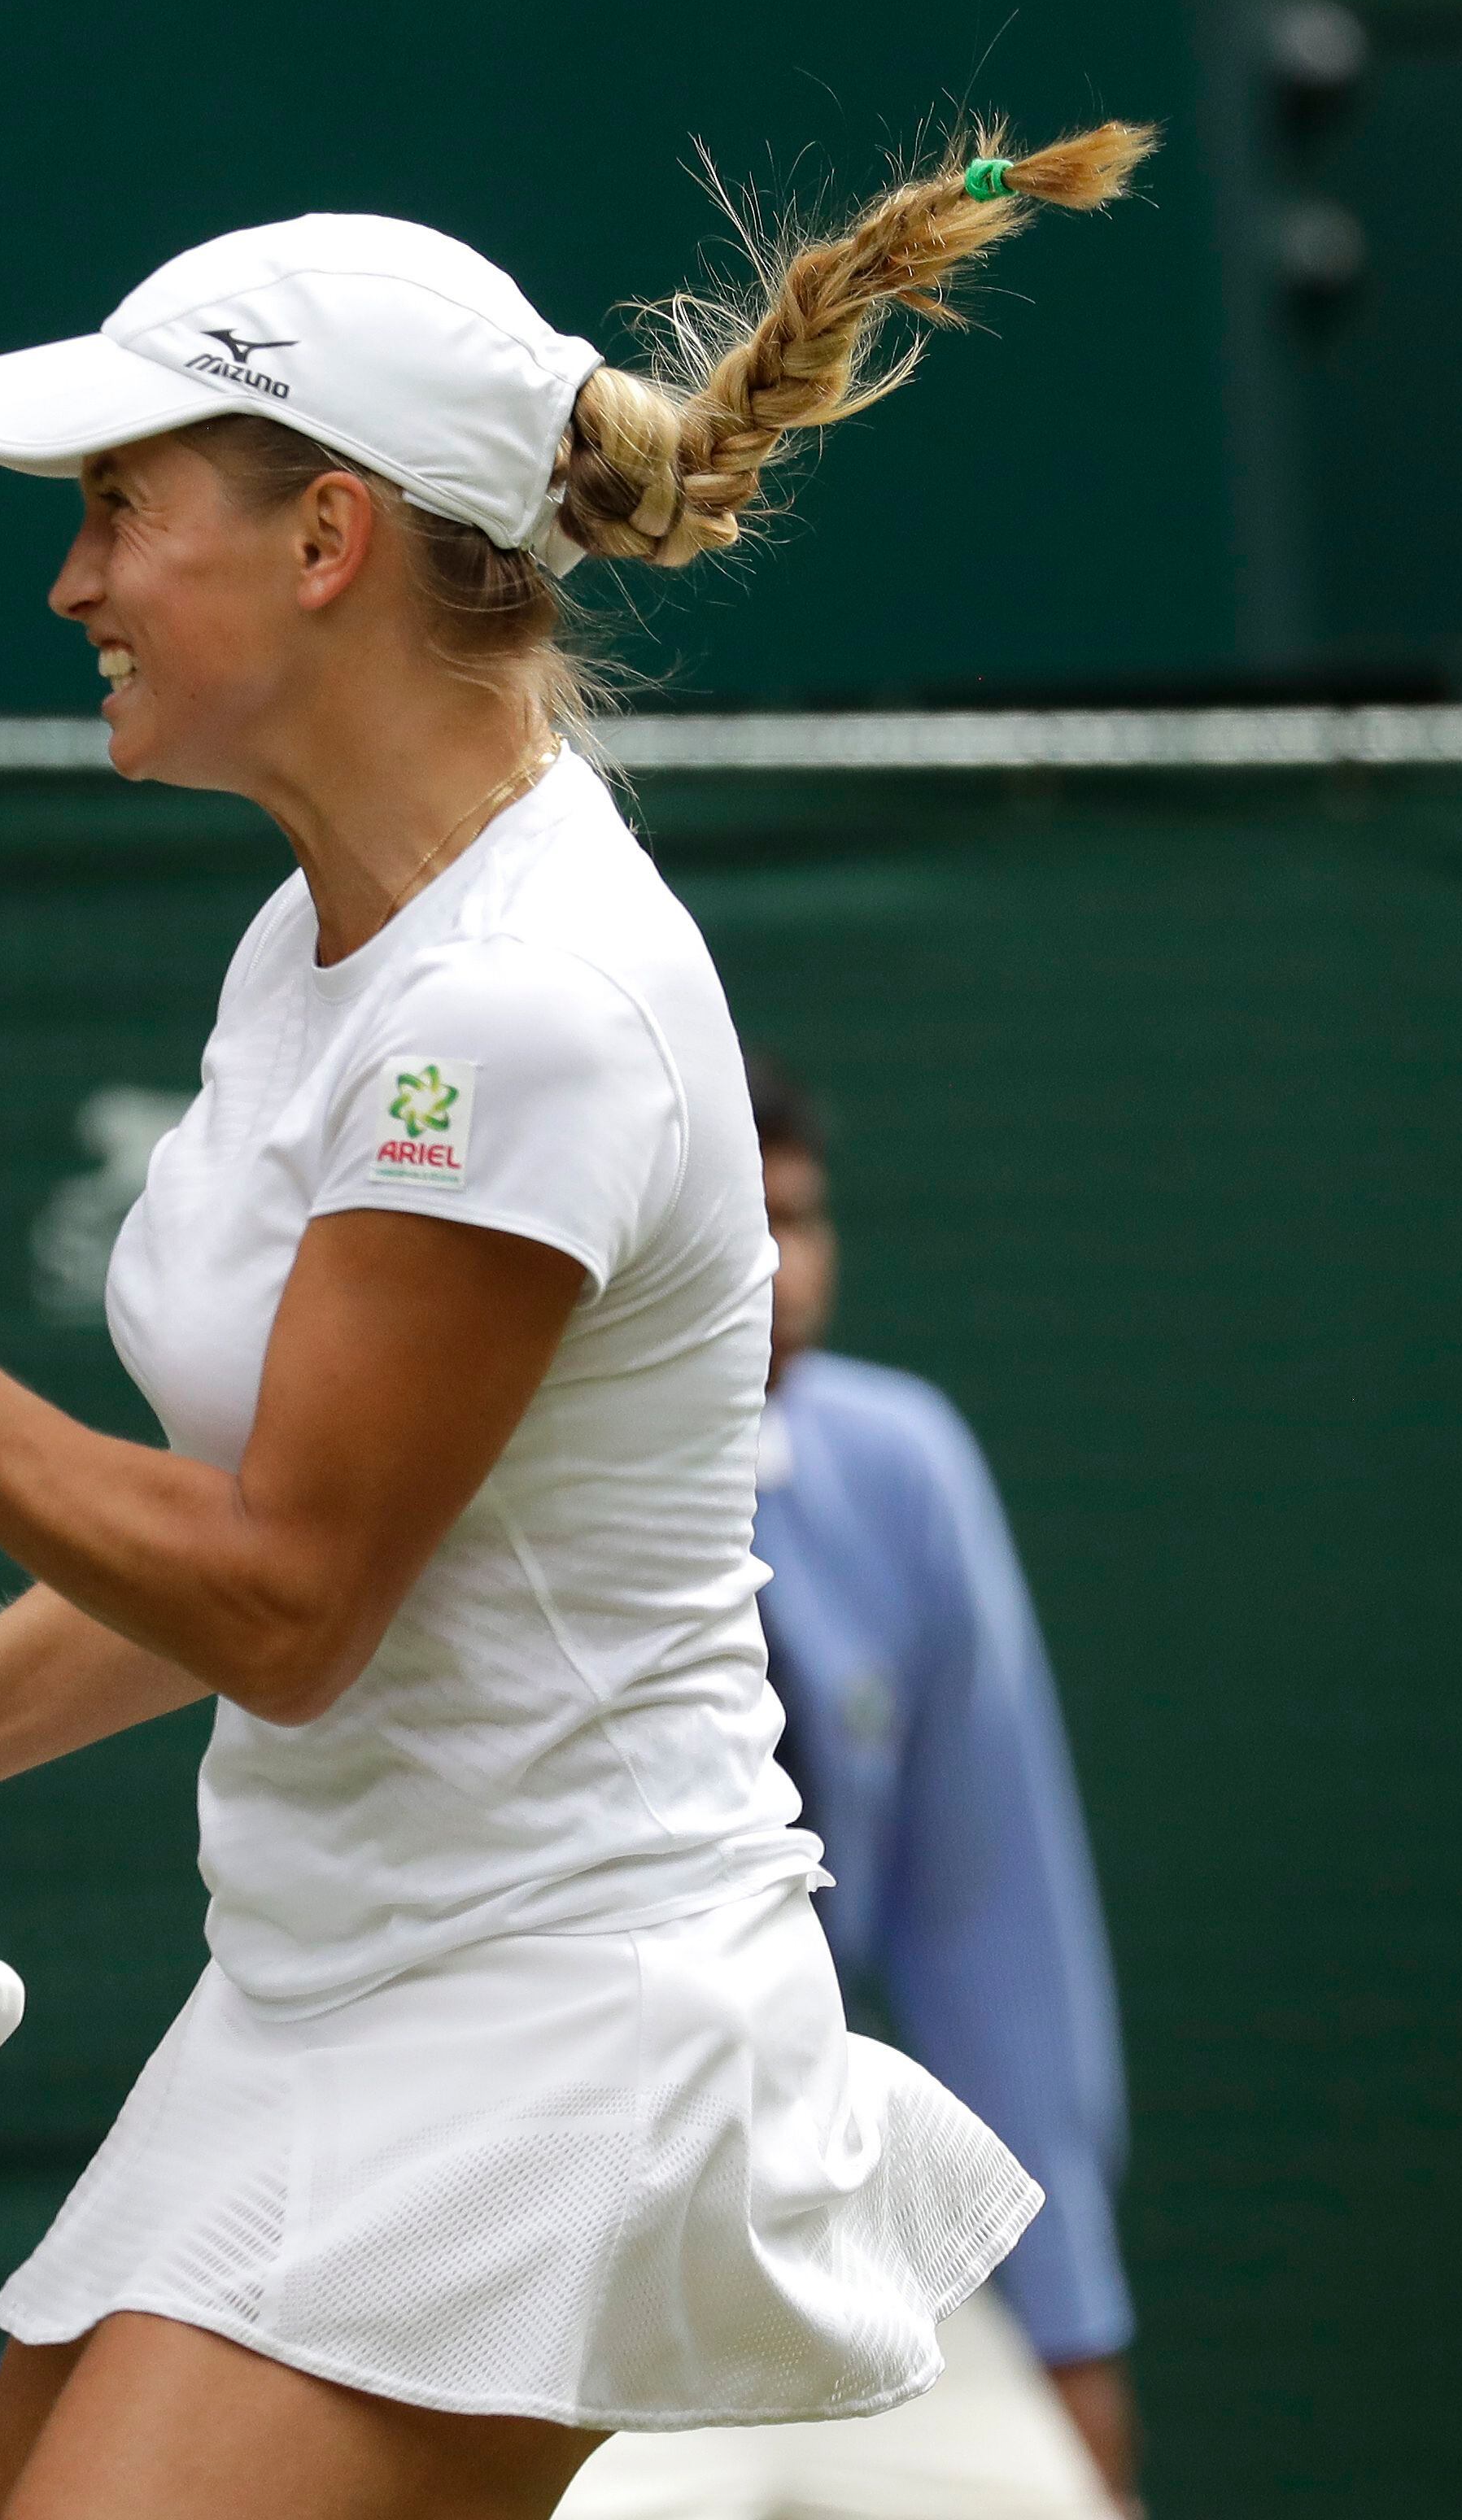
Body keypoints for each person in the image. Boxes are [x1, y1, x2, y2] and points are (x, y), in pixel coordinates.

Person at [0, 121, 1154, 2520]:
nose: (68, 579)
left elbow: (289, 1604)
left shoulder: (522, 1007)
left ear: (324, 538)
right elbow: (279, 1542)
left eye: (122, 508)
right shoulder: (314, 956)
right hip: (325, 2001)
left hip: (558, 2035)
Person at [556, 1056, 1140, 2520]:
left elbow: (989, 1930)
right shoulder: (477, 1477)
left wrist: (1064, 2326)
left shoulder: (901, 1467)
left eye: (799, 1218)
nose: (779, 1271)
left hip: (840, 2210)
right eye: (731, 1225)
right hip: (557, 2241)